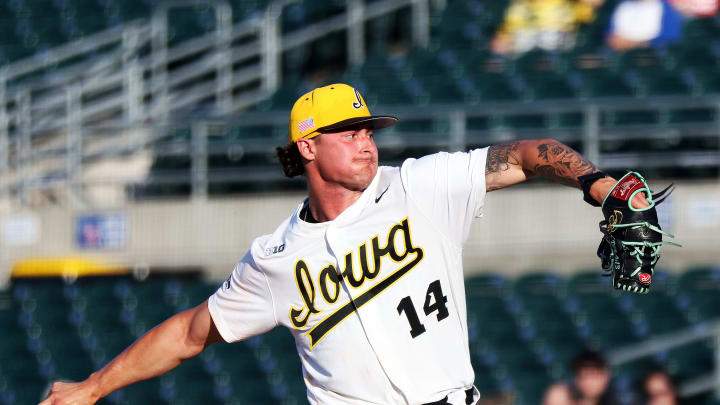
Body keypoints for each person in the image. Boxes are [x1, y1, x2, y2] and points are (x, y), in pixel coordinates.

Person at [41, 83, 654, 405]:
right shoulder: (275, 260)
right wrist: (92, 388)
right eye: (348, 131)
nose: (366, 140)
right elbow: (188, 333)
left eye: (368, 128)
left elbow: (526, 154)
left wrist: (597, 183)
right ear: (307, 147)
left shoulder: (422, 186)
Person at [491, 0, 604, 55]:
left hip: (561, 49)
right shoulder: (519, 7)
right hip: (526, 52)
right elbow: (502, 39)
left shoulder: (562, 3)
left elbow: (591, 6)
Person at [542, 349, 618, 405]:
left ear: (606, 376)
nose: (589, 382)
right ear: (576, 378)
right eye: (584, 376)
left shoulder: (617, 399)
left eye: (594, 375)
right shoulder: (561, 395)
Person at [606, 0, 683, 51]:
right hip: (619, 53)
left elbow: (670, 40)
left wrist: (634, 44)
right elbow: (610, 36)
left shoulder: (667, 11)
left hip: (649, 56)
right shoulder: (624, 4)